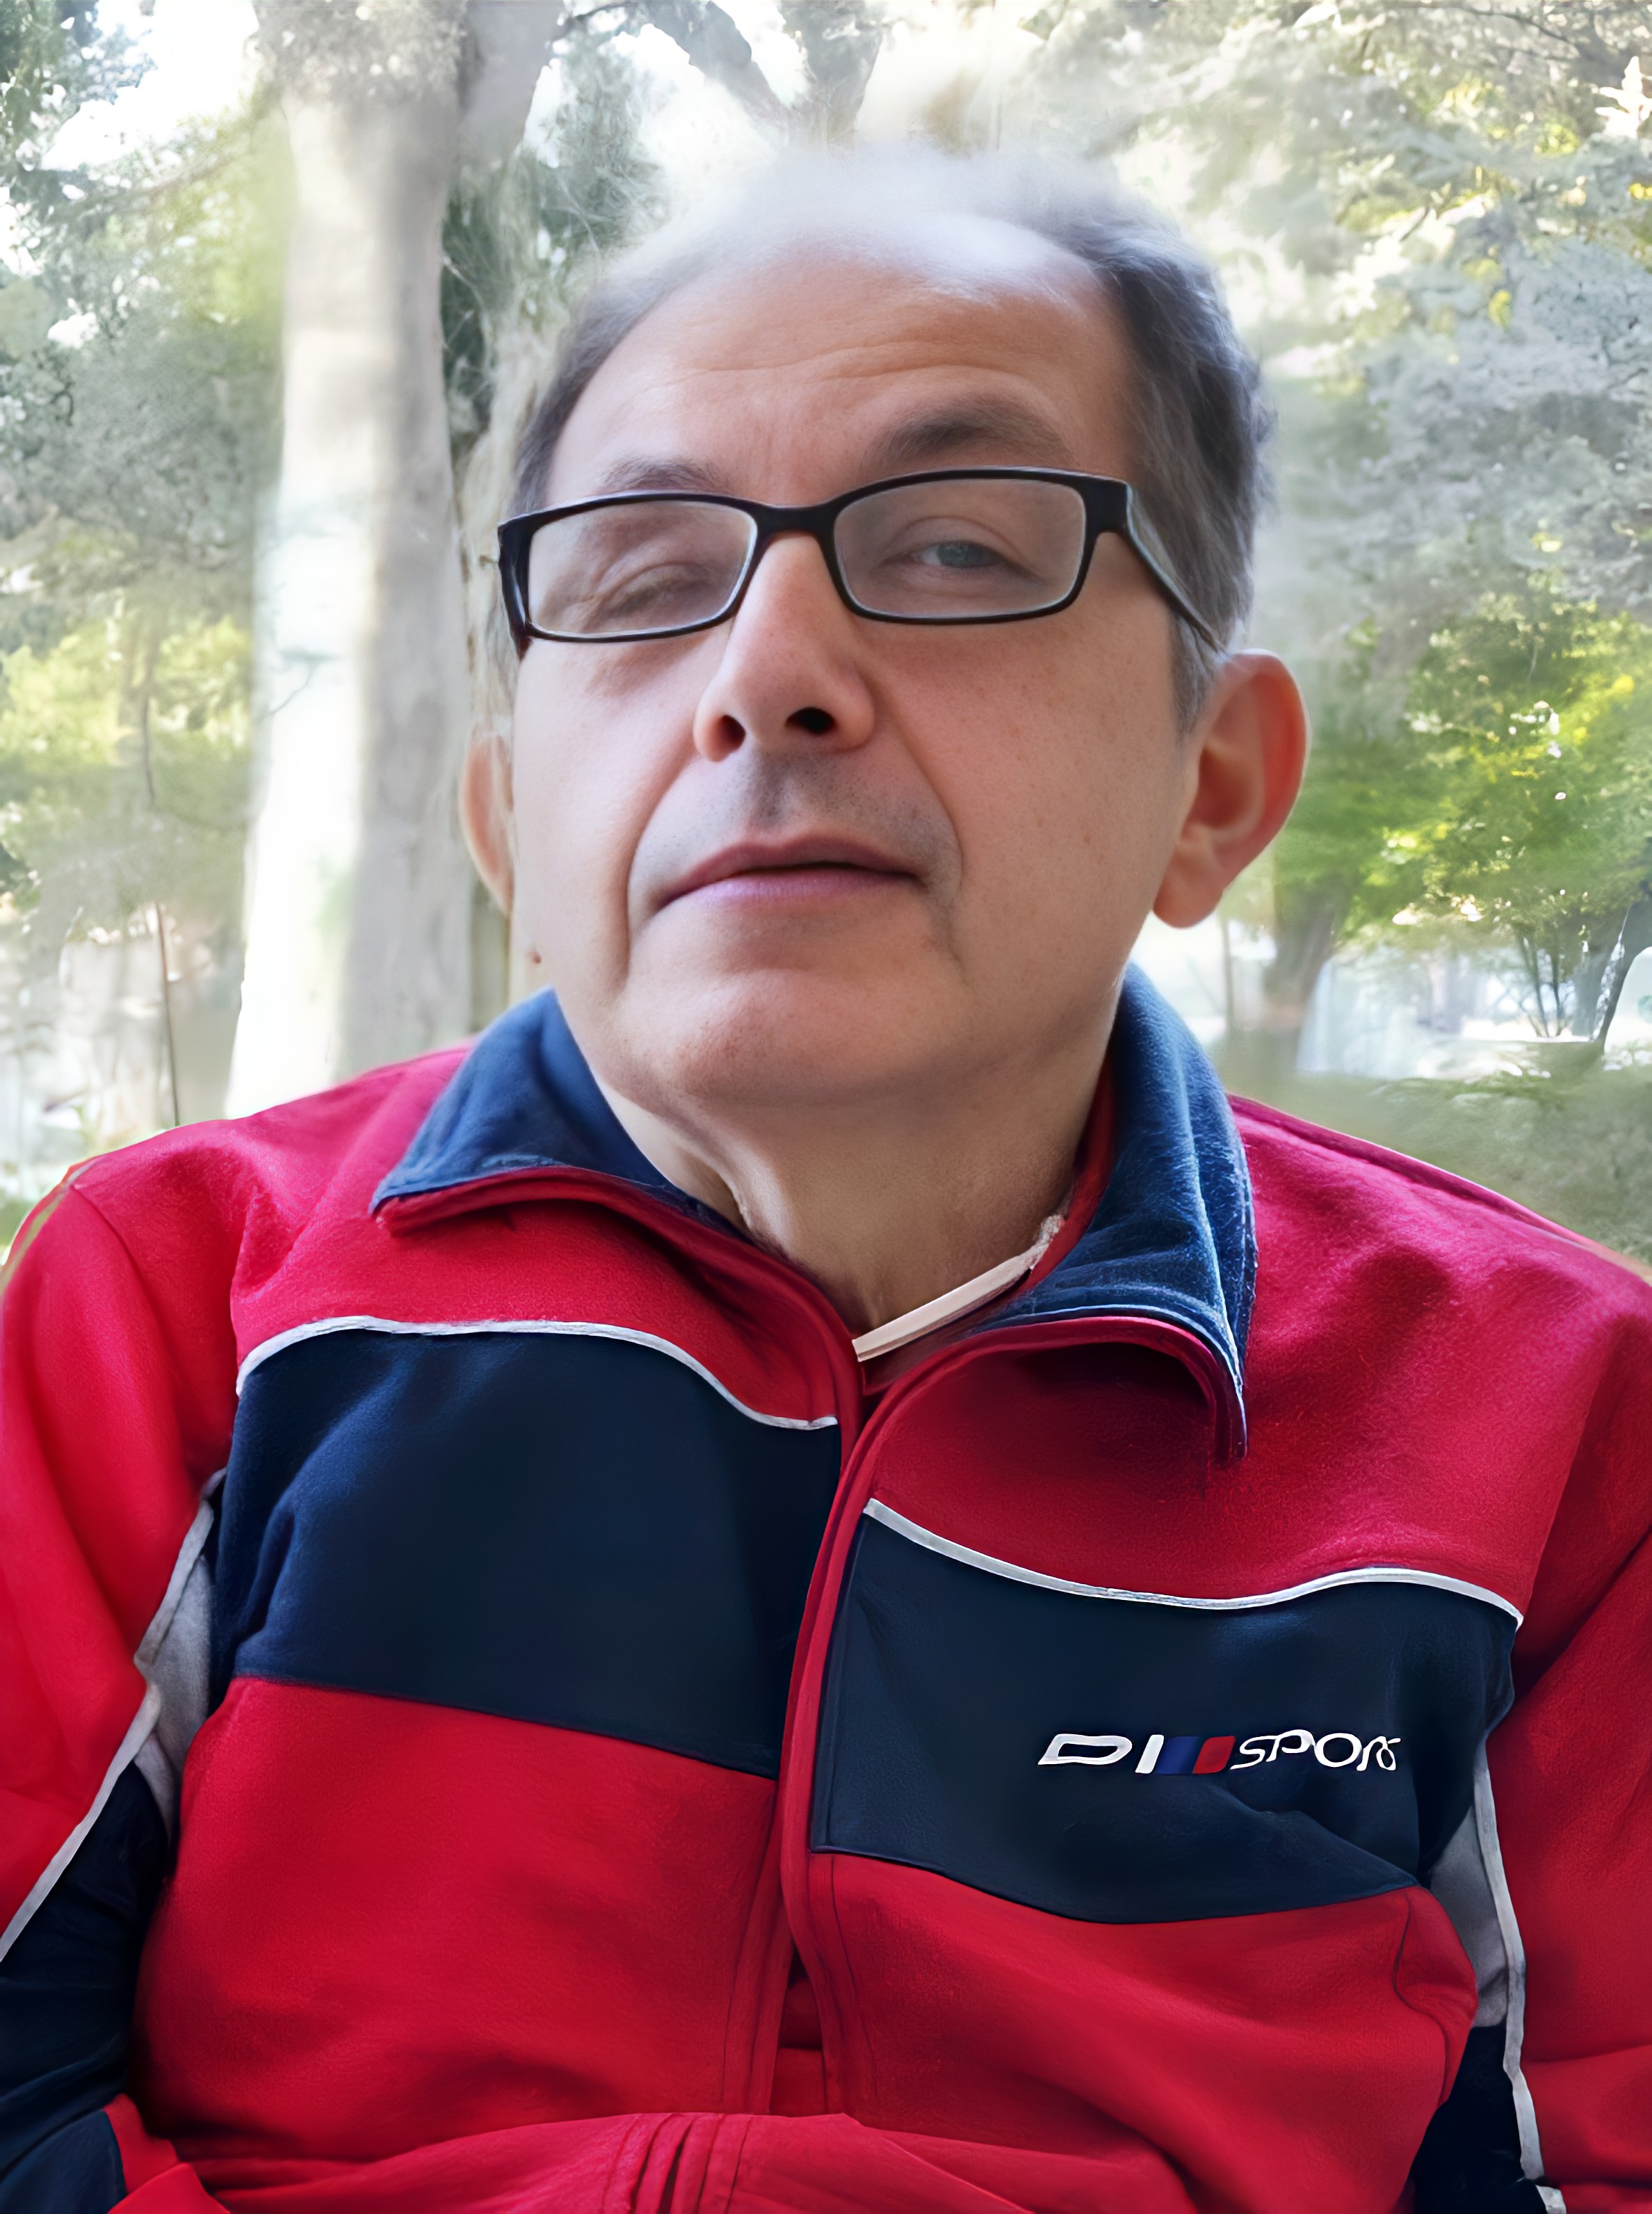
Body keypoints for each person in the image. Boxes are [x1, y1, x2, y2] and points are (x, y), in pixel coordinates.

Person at [1, 150, 1648, 2214]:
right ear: (511, 829)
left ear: (1212, 789)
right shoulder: (175, 1309)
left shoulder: (1560, 1430)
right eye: (640, 577)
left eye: (956, 549)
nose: (765, 673)